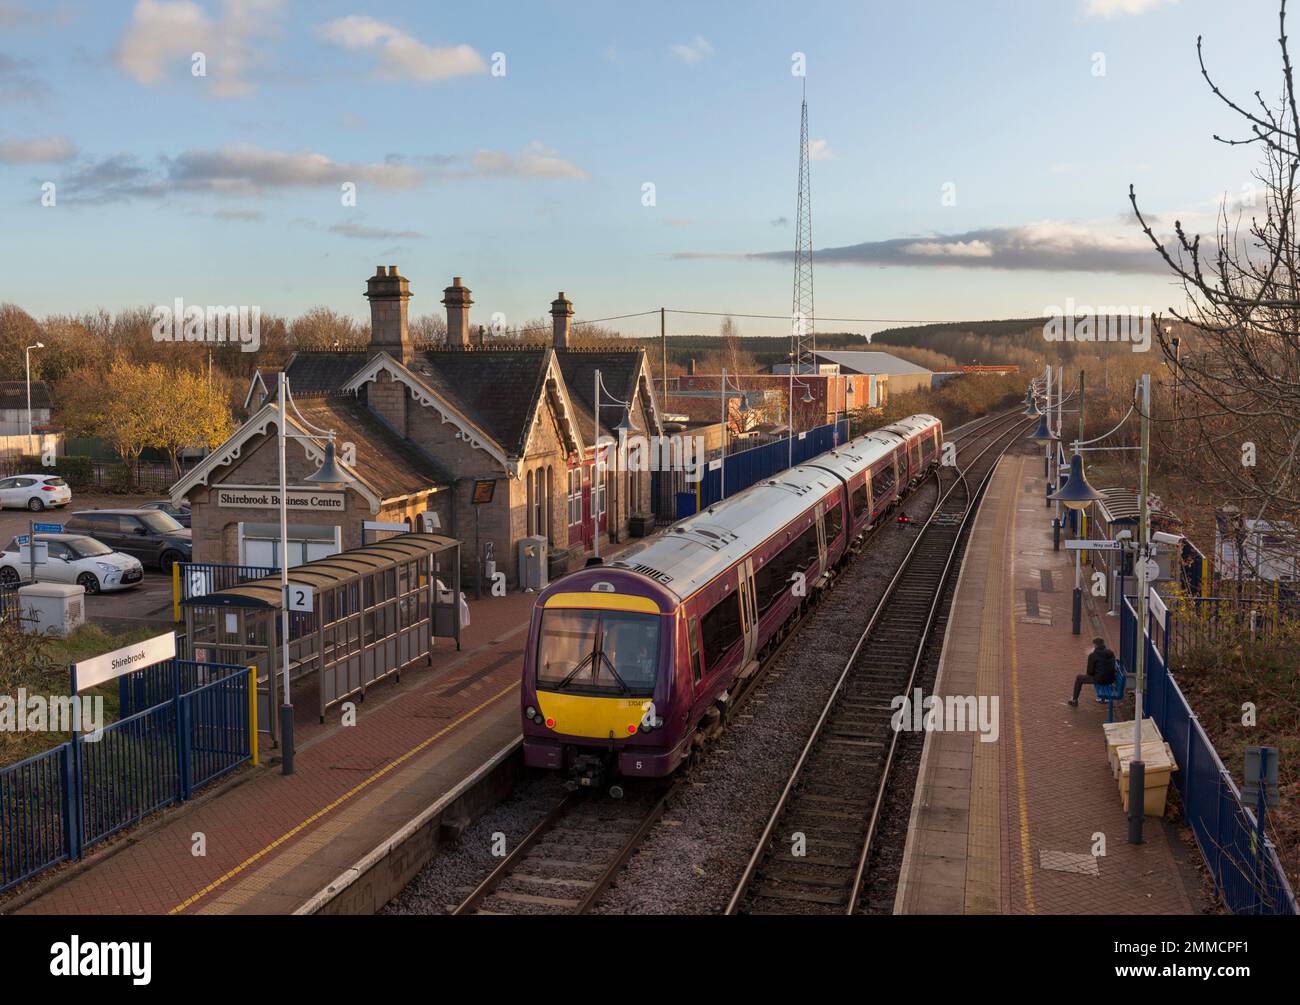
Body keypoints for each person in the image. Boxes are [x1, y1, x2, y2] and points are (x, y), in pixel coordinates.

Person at [1068, 637, 1116, 707]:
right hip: (1111, 679)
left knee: (1079, 678)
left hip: (1100, 679)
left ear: (1095, 645)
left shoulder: (1093, 655)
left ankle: (1074, 700)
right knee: (1100, 675)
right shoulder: (1111, 652)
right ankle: (1103, 698)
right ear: (1103, 644)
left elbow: (1090, 672)